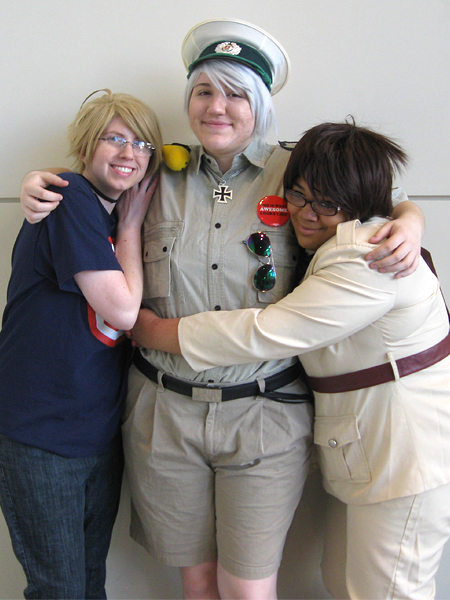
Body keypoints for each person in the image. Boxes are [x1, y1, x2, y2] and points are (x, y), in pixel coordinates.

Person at [18, 19, 425, 600]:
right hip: (164, 415)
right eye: (204, 91)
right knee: (198, 583)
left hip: (265, 416)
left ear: (260, 103)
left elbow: (382, 196)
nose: (217, 107)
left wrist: (411, 220)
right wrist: (40, 180)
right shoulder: (154, 172)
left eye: (236, 94)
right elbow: (91, 181)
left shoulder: (296, 172)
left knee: (247, 589)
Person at [130, 120, 450, 600]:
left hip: (404, 455)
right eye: (297, 195)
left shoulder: (370, 258)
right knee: (345, 582)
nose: (306, 213)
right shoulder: (347, 235)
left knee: (389, 592)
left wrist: (153, 331)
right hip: (368, 449)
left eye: (327, 205)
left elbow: (266, 331)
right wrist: (411, 216)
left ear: (362, 206)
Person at [0, 89, 162, 599]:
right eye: (114, 138)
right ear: (87, 145)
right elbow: (123, 311)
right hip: (41, 433)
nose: (129, 153)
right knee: (61, 589)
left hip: (95, 431)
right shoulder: (70, 197)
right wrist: (132, 225)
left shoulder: (105, 210)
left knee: (88, 582)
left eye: (141, 144)